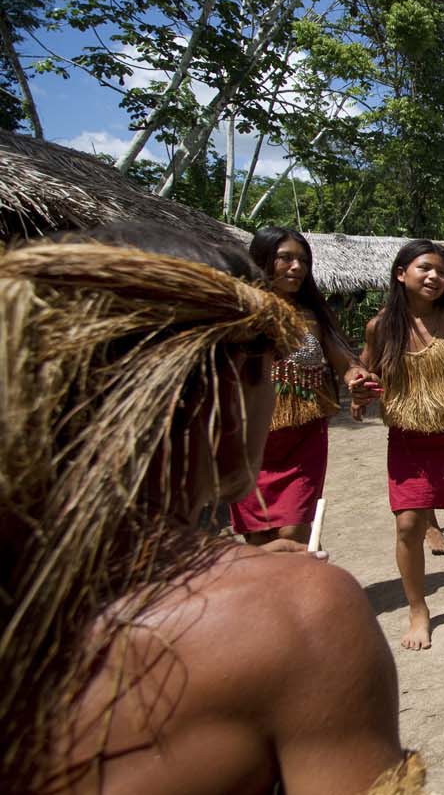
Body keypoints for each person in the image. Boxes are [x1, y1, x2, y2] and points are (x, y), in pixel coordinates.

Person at [0, 224, 419, 794]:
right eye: (264, 369)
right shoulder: (301, 610)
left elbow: (344, 360)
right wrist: (264, 581)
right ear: (233, 386)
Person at [358, 240, 444, 651]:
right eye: (425, 268)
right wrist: (359, 393)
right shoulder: (380, 326)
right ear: (401, 274)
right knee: (408, 524)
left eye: (441, 271)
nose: (434, 277)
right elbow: (365, 375)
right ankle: (418, 608)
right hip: (406, 438)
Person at [231, 227, 380, 547]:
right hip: (248, 442)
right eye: (285, 259)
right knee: (259, 540)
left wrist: (357, 378)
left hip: (303, 440)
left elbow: (346, 362)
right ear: (260, 260)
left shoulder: (315, 316)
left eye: (303, 260)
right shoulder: (236, 315)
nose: (297, 267)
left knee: (293, 533)